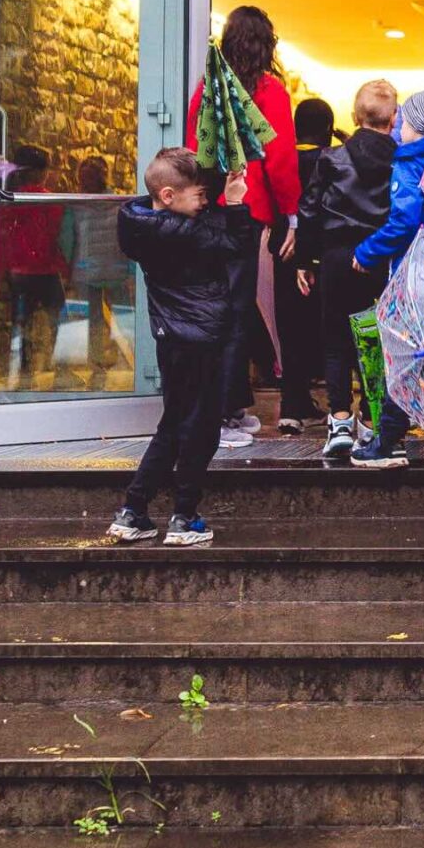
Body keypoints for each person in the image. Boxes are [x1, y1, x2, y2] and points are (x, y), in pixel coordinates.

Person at [105, 148, 263, 549]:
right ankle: (184, 516)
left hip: (171, 337)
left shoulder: (141, 222)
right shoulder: (188, 233)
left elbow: (208, 227)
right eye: (200, 195)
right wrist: (236, 202)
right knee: (201, 429)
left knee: (174, 423)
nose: (205, 202)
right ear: (169, 195)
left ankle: (133, 510)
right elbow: (238, 245)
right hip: (203, 337)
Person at [187, 7, 304, 449]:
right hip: (247, 210)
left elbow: (195, 147)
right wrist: (291, 212)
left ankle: (230, 405)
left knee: (214, 306)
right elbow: (280, 158)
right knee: (236, 311)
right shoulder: (269, 91)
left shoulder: (208, 87)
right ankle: (221, 413)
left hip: (208, 207)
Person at [351, 82, 424, 468]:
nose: (399, 124)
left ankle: (388, 441)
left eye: (407, 119)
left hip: (415, 276)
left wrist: (366, 252)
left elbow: (403, 221)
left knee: (402, 358)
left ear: (423, 127)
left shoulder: (409, 162)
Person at [293, 81, 398, 460]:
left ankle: (339, 420)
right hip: (381, 257)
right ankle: (371, 420)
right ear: (394, 118)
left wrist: (305, 260)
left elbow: (309, 209)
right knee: (377, 341)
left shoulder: (332, 158)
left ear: (354, 117)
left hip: (336, 257)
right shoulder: (401, 160)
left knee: (335, 337)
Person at [273, 96, 340, 431]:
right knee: (327, 331)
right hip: (321, 256)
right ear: (328, 127)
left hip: (284, 252)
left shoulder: (284, 160)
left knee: (290, 332)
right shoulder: (332, 160)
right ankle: (339, 409)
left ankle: (292, 406)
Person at [0, 144, 68, 390]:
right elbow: (58, 237)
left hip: (19, 272)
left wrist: (1, 270)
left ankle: (23, 372)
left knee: (21, 322)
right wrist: (66, 268)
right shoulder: (51, 201)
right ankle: (58, 369)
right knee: (60, 319)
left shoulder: (9, 201)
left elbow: (3, 237)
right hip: (46, 270)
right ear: (40, 172)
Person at [59, 153, 134, 389]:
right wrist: (131, 269)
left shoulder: (75, 205)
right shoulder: (120, 203)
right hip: (116, 270)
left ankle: (98, 370)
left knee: (92, 322)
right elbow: (128, 239)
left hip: (85, 271)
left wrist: (68, 268)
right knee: (126, 318)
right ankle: (134, 362)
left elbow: (66, 240)